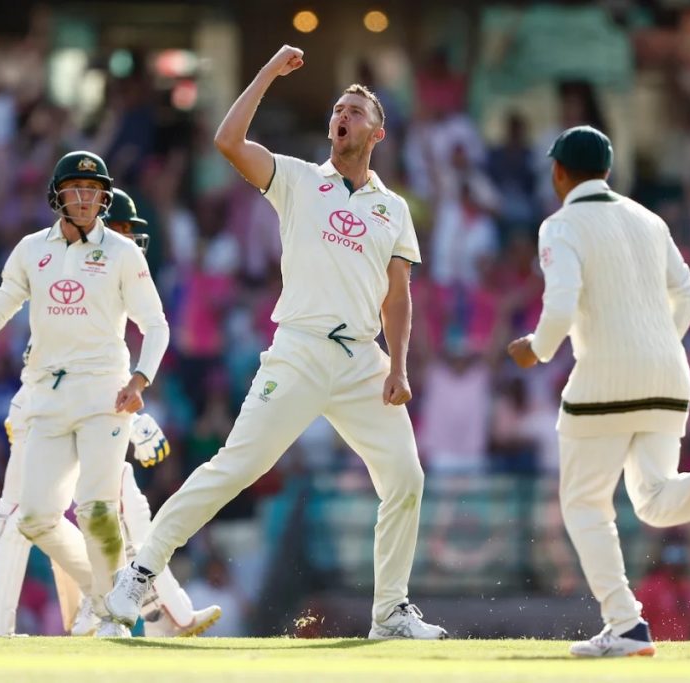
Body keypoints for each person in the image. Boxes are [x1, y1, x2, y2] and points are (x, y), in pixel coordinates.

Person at [106, 45, 446, 640]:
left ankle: (389, 612)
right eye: (338, 109)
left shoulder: (392, 208)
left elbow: (399, 296)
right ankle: (141, 571)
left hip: (363, 357)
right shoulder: (295, 178)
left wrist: (398, 366)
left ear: (378, 132)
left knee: (406, 479)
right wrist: (267, 72)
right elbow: (229, 142)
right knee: (236, 466)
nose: (342, 116)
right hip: (299, 349)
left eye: (356, 111)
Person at [506, 125, 690, 657]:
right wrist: (653, 343)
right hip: (668, 377)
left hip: (604, 380)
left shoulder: (559, 225)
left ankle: (626, 624)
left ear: (559, 172)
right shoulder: (650, 220)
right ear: (608, 170)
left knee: (584, 505)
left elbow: (560, 309)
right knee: (652, 500)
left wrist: (535, 350)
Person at [0, 187, 220, 638]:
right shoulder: (46, 254)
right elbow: (53, 336)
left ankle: (138, 613)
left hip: (90, 400)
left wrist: (136, 403)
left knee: (113, 506)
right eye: (124, 230)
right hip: (41, 402)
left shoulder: (116, 262)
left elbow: (111, 350)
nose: (132, 242)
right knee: (25, 515)